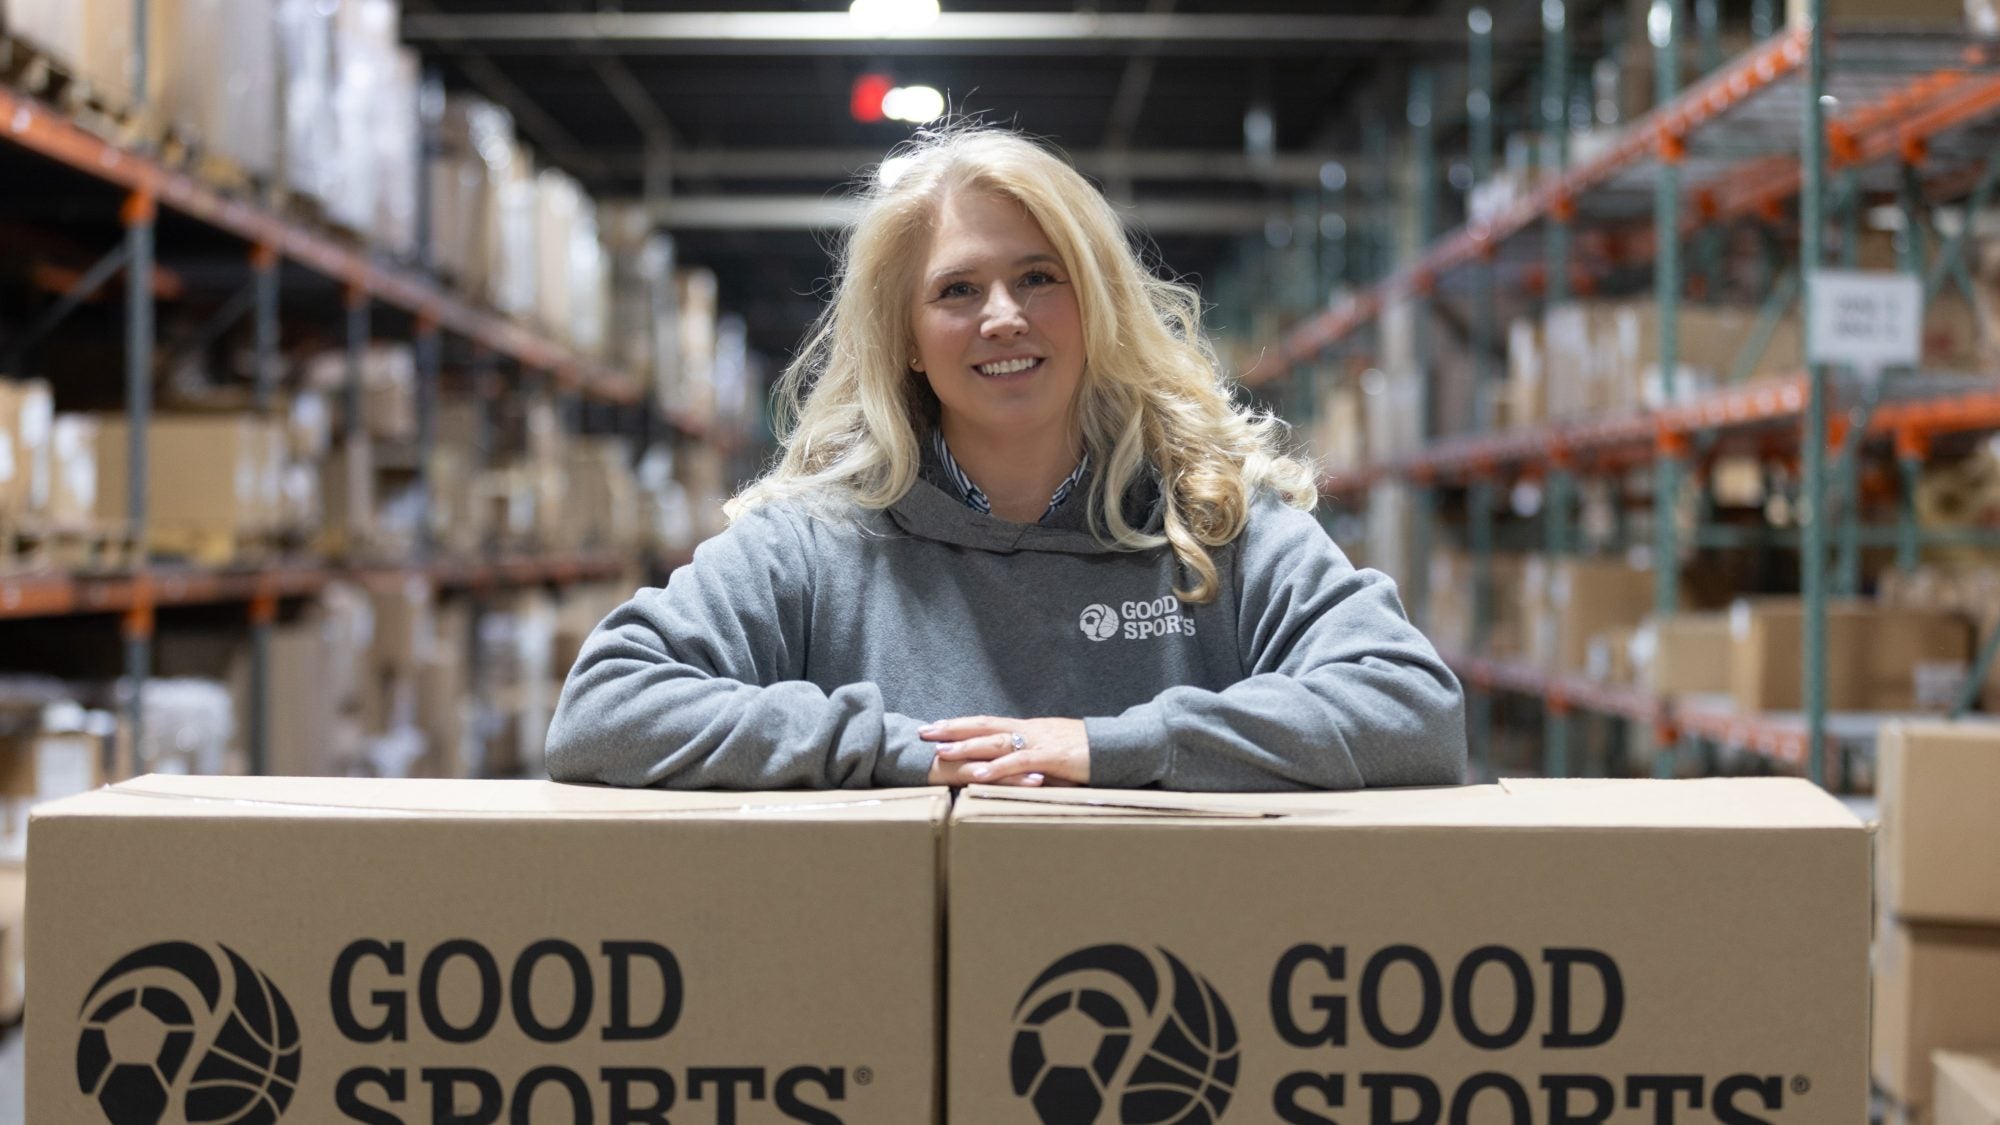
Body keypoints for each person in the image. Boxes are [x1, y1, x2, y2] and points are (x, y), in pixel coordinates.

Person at [545, 126, 1465, 792]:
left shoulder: (1212, 521)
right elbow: (606, 709)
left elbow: (1412, 708)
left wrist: (1113, 746)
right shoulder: (821, 543)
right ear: (906, 338)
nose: (1003, 316)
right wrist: (904, 750)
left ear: (1094, 304)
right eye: (956, 290)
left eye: (1038, 277)